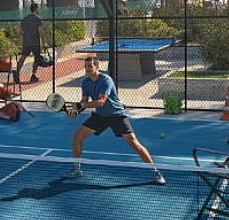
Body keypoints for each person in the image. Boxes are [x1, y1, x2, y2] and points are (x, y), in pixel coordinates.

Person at [65, 56, 165, 185]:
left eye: (90, 66)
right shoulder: (85, 82)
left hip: (116, 115)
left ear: (97, 67)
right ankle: (77, 169)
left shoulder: (106, 80)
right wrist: (76, 112)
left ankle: (155, 171)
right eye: (86, 66)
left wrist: (80, 106)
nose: (87, 69)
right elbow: (84, 102)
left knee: (134, 143)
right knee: (77, 136)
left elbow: (101, 102)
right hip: (100, 116)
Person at [16, 2, 45, 84]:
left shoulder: (24, 19)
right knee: (36, 58)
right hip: (35, 42)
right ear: (36, 9)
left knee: (23, 57)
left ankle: (17, 73)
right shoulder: (38, 19)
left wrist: (25, 36)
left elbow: (21, 31)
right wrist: (44, 42)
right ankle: (33, 75)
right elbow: (41, 32)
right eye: (38, 8)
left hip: (26, 42)